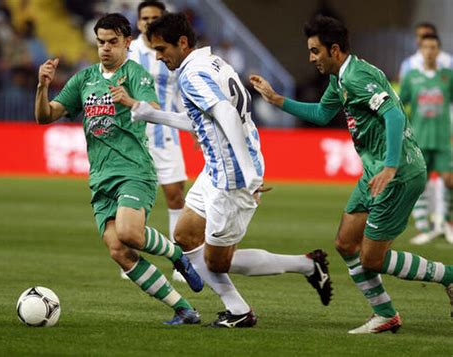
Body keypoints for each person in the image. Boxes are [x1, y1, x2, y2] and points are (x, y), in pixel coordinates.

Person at [250, 14, 453, 334]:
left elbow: (395, 115)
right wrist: (277, 100)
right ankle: (385, 314)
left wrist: (389, 165)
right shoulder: (340, 78)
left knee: (373, 259)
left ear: (334, 50)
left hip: (397, 174)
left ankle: (449, 276)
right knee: (346, 243)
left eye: (315, 51)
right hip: (374, 173)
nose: (311, 58)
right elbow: (321, 113)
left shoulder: (357, 76)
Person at [131, 12, 333, 328]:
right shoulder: (213, 63)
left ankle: (305, 267)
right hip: (216, 169)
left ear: (182, 43)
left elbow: (225, 112)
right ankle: (239, 309)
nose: (158, 58)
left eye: (161, 50)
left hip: (233, 176)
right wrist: (152, 115)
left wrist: (248, 172)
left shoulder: (191, 75)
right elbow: (203, 120)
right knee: (184, 235)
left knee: (216, 261)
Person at [34, 13, 203, 325]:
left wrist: (128, 101)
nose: (105, 49)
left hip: (134, 170)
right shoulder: (84, 80)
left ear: (127, 42)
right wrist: (42, 87)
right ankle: (184, 309)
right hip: (100, 179)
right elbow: (46, 116)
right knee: (119, 251)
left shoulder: (136, 75)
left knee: (129, 233)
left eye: (113, 42)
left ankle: (177, 255)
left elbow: (153, 110)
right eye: (100, 42)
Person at [127, 1, 188, 283]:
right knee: (131, 195)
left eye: (155, 18)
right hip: (135, 134)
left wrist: (194, 127)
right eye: (145, 18)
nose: (149, 22)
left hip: (167, 134)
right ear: (138, 22)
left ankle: (180, 259)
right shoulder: (128, 52)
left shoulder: (172, 52)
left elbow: (178, 93)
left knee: (176, 196)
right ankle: (130, 258)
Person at [399, 34, 453, 245]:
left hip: (443, 139)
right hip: (419, 139)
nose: (430, 51)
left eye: (433, 47)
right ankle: (425, 227)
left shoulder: (447, 76)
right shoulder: (412, 77)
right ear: (420, 51)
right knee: (419, 183)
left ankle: (448, 224)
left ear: (438, 51)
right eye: (426, 47)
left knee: (450, 181)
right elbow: (400, 103)